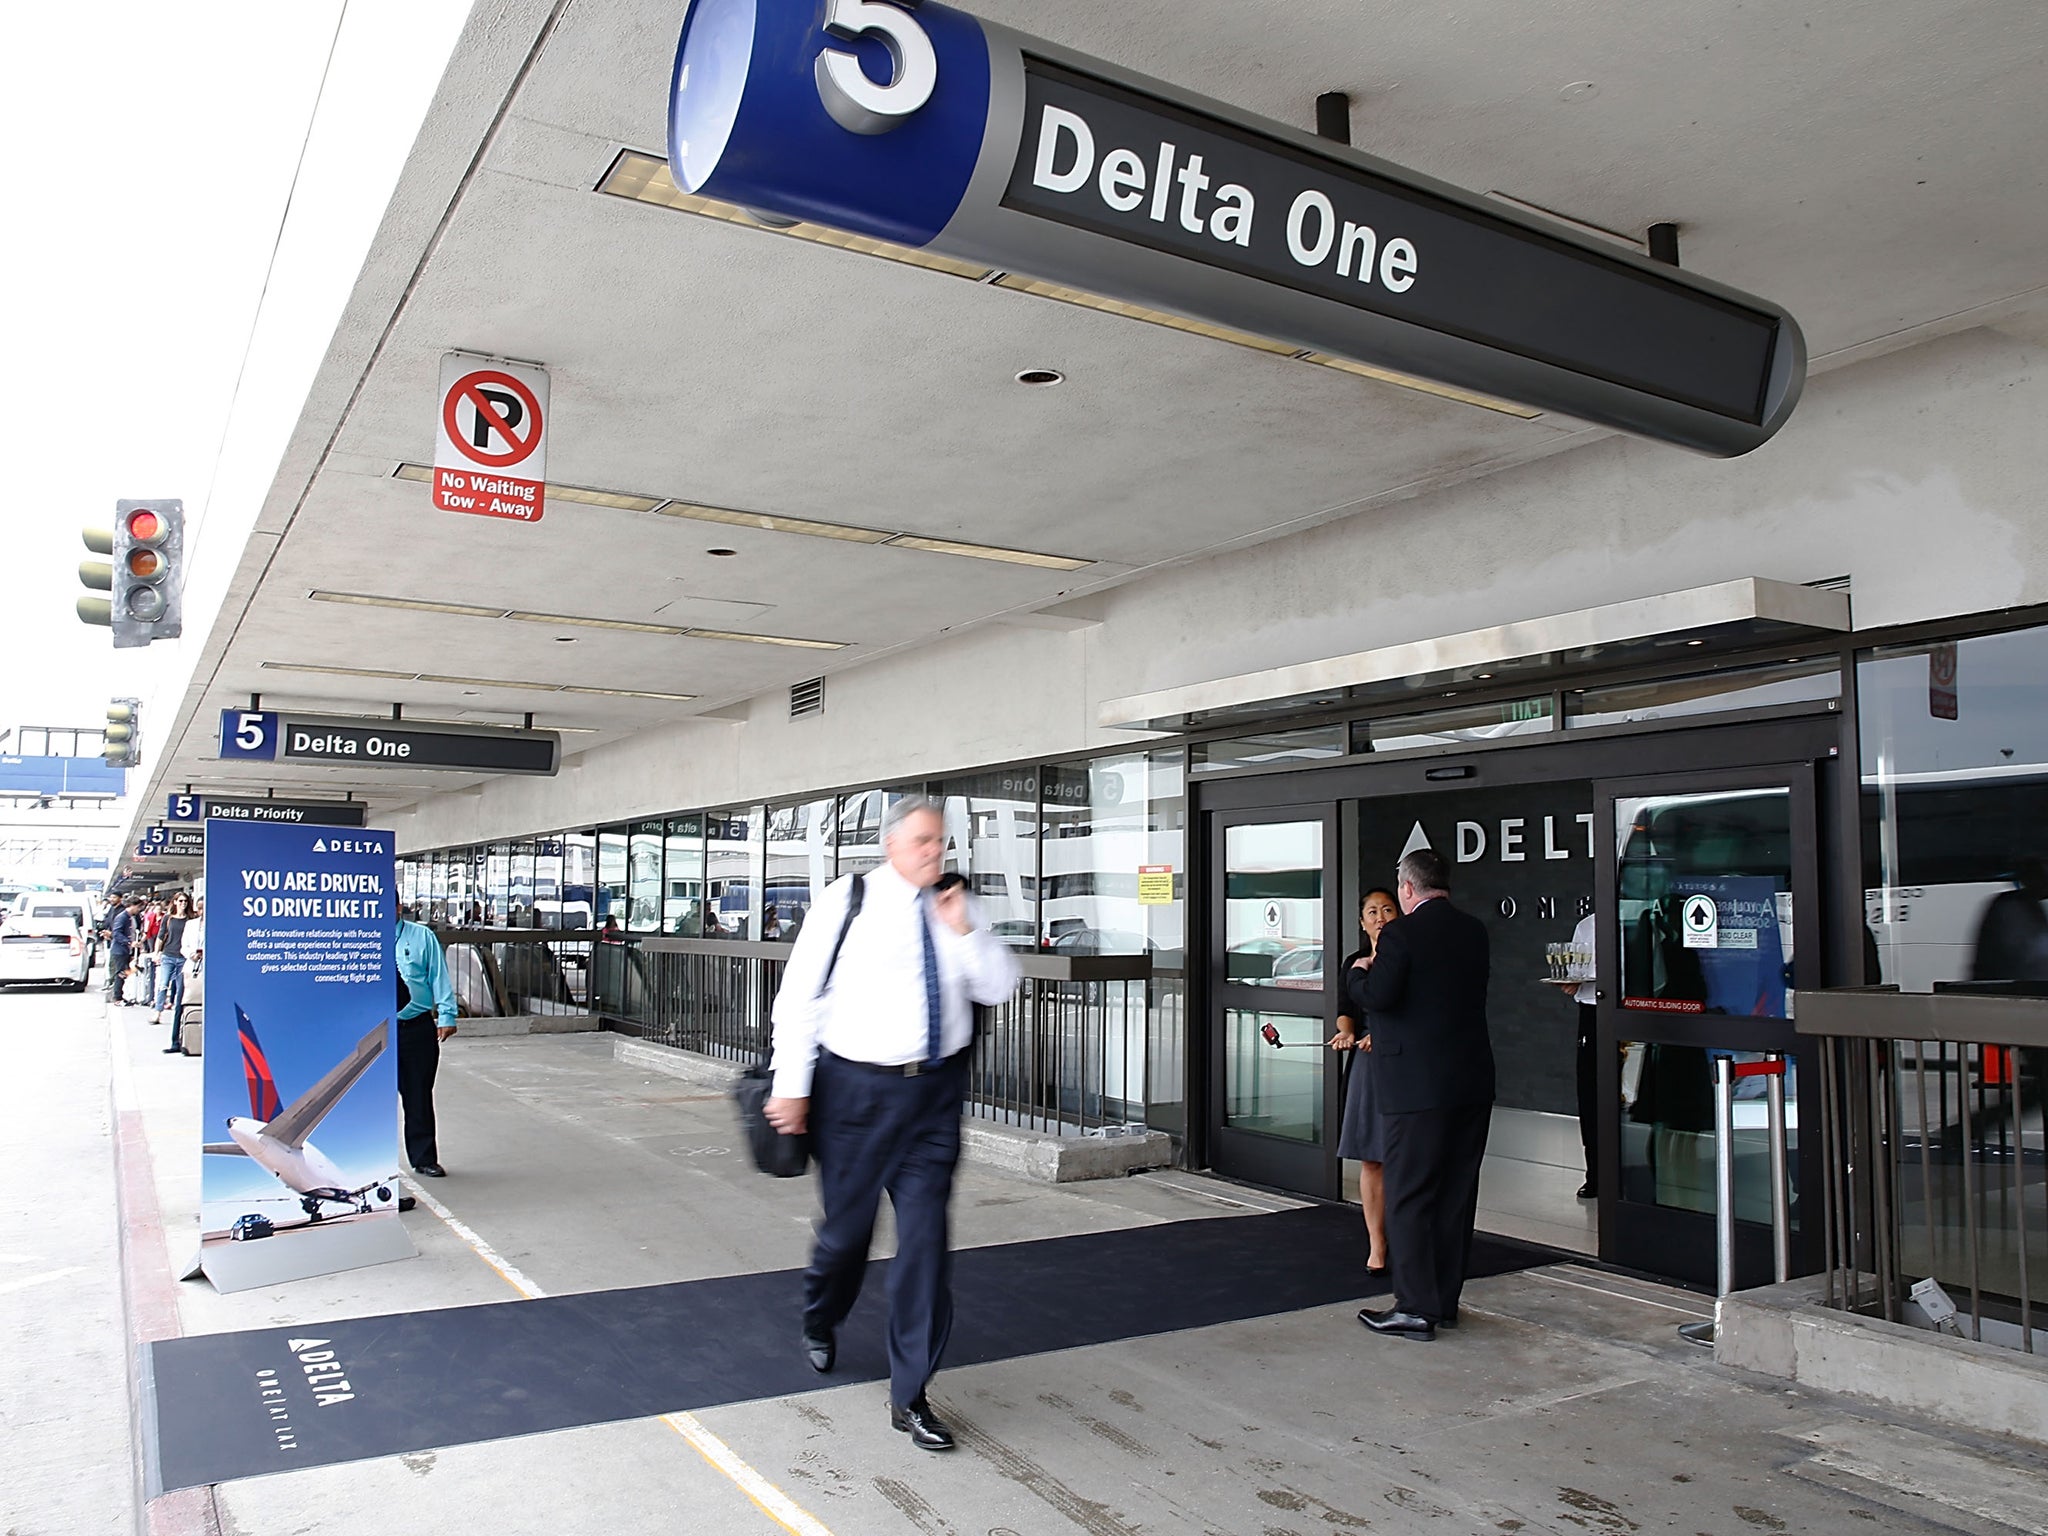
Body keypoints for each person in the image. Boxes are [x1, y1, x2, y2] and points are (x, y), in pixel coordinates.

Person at [764, 797, 1020, 1452]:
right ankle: (821, 1316)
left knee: (927, 1247)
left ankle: (911, 1394)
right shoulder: (846, 902)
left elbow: (998, 987)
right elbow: (799, 996)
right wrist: (792, 1087)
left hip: (933, 1097)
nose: (936, 853)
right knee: (846, 1236)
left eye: (941, 842)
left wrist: (963, 929)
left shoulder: (957, 903)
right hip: (855, 1096)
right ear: (892, 844)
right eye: (924, 842)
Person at [1356, 848, 1495, 1342]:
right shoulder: (1473, 930)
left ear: (1407, 889)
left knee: (1411, 1193)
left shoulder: (1400, 933)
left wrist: (1359, 969)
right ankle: (1445, 1302)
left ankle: (1414, 1306)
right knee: (1455, 1194)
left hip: (1416, 1087)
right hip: (1471, 1081)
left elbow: (1378, 997)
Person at [1329, 887, 1400, 1281]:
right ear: (1362, 921)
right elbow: (1345, 1010)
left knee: (1403, 1155)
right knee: (1371, 1156)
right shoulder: (1354, 963)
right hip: (1367, 1065)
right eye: (1372, 911)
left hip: (1403, 1060)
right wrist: (1346, 1032)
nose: (1380, 916)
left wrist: (1386, 1032)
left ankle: (1405, 1238)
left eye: (1387, 909)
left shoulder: (1408, 958)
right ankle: (1377, 1243)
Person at [395, 909, 459, 1177]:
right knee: (372, 1099)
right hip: (374, 1030)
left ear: (397, 908)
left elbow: (438, 976)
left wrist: (447, 1014)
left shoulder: (422, 936)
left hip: (415, 1027)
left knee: (418, 1094)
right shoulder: (360, 938)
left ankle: (423, 1158)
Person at [152, 891, 195, 1048]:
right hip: (168, 955)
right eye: (180, 901)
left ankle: (178, 1016)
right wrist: (157, 953)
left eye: (185, 901)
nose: (183, 903)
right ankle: (158, 1011)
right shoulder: (168, 918)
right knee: (163, 983)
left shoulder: (191, 920)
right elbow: (161, 936)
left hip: (183, 957)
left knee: (180, 990)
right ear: (175, 902)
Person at [105, 896, 141, 1003]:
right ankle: (117, 996)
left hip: (126, 950)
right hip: (120, 950)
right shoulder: (122, 917)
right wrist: (129, 942)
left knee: (125, 971)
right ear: (133, 906)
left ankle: (118, 994)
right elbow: (117, 933)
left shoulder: (131, 917)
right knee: (121, 972)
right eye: (138, 907)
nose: (139, 910)